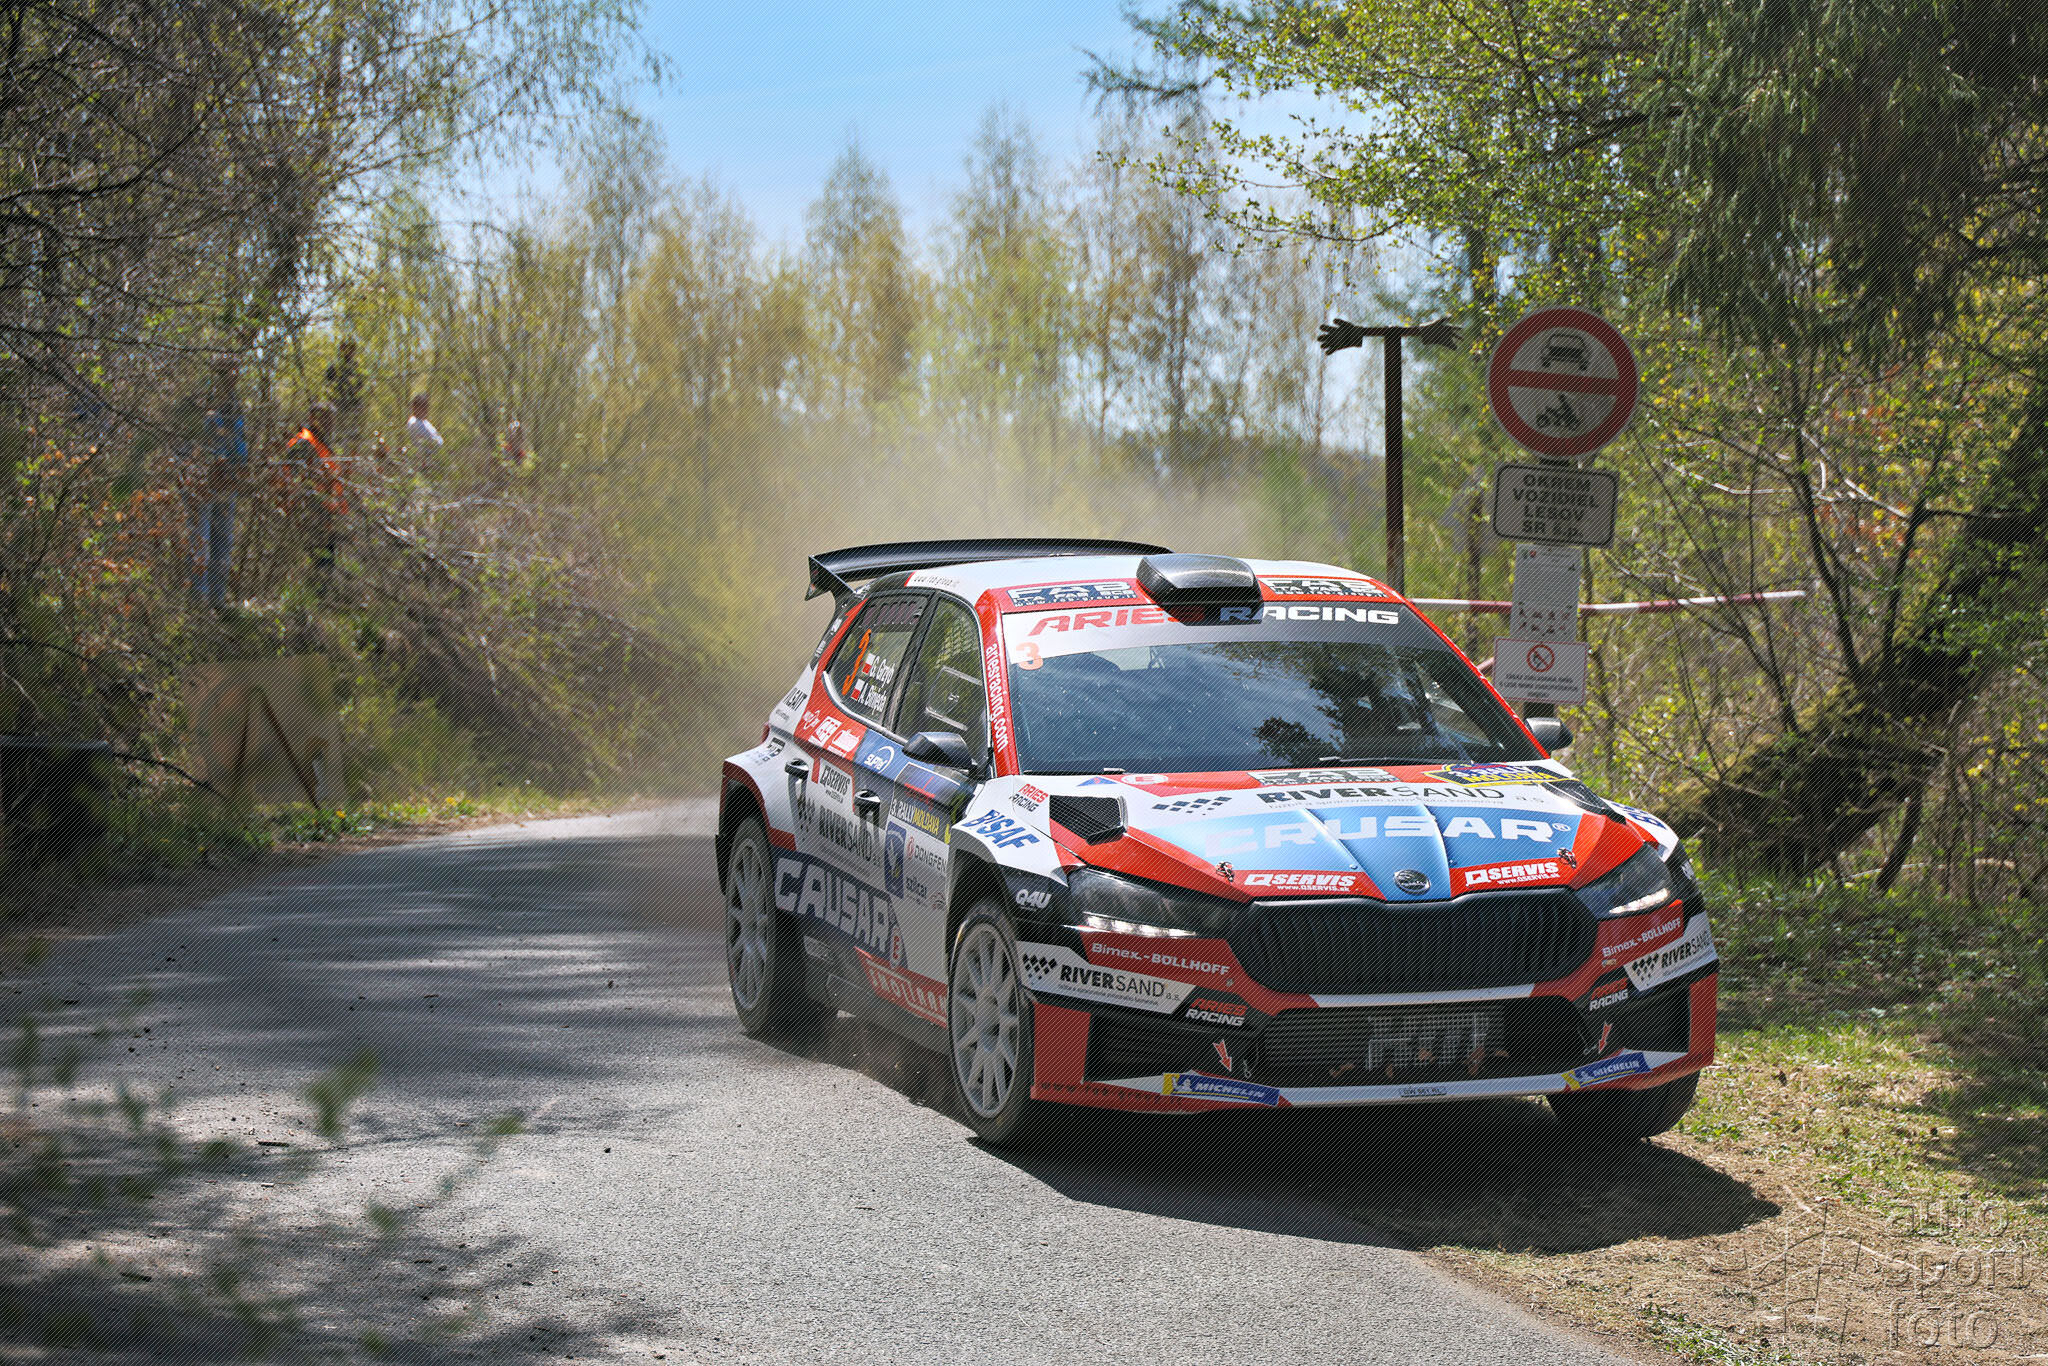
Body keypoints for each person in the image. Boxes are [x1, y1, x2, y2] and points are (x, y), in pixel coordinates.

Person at [183, 359, 246, 608]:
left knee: (223, 541)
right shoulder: (203, 400)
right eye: (230, 372)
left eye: (236, 373)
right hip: (204, 481)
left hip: (228, 481)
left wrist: (240, 469)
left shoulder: (235, 405)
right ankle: (198, 602)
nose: (234, 376)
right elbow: (192, 443)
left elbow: (240, 442)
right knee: (201, 540)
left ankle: (218, 602)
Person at [282, 400, 347, 578]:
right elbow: (298, 480)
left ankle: (321, 591)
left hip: (325, 513)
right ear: (312, 418)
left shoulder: (320, 443)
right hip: (310, 515)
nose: (329, 423)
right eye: (324, 418)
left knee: (326, 565)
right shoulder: (304, 442)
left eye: (331, 419)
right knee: (318, 566)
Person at [404, 391, 443, 474]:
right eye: (423, 407)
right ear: (415, 407)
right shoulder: (414, 423)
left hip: (433, 461)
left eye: (426, 407)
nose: (426, 410)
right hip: (423, 465)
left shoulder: (424, 422)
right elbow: (433, 441)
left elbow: (439, 440)